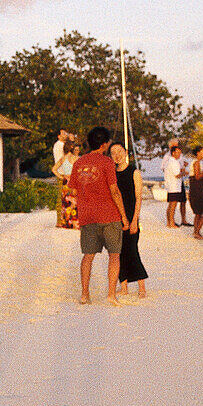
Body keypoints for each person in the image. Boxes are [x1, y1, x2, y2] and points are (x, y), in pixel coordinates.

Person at [68, 126, 129, 306]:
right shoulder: (107, 163)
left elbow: (73, 189)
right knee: (114, 255)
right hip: (109, 215)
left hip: (88, 216)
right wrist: (124, 217)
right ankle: (111, 294)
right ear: (104, 144)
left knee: (88, 255)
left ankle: (85, 294)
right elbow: (114, 191)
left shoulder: (79, 163)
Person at [109, 141, 148, 297]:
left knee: (132, 251)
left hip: (131, 216)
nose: (117, 155)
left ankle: (142, 287)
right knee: (118, 253)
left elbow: (139, 198)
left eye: (119, 151)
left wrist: (134, 221)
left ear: (125, 152)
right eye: (113, 153)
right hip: (115, 217)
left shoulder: (134, 172)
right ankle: (123, 286)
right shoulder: (111, 173)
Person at [52, 139, 80, 229]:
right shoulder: (76, 158)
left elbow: (54, 169)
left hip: (66, 181)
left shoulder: (63, 158)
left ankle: (66, 221)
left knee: (66, 202)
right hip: (74, 181)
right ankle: (75, 222)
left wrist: (61, 176)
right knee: (75, 202)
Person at [188, 145, 203, 239]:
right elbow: (197, 176)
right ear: (198, 153)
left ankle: (196, 232)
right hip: (197, 190)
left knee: (198, 213)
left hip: (195, 190)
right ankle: (197, 231)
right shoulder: (197, 162)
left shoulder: (196, 163)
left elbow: (198, 175)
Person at [161, 143, 188, 228]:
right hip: (174, 186)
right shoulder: (174, 162)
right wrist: (184, 173)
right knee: (173, 205)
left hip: (171, 186)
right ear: (173, 153)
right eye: (178, 152)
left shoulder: (170, 162)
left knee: (171, 205)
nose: (179, 154)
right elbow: (177, 174)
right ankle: (171, 223)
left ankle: (169, 222)